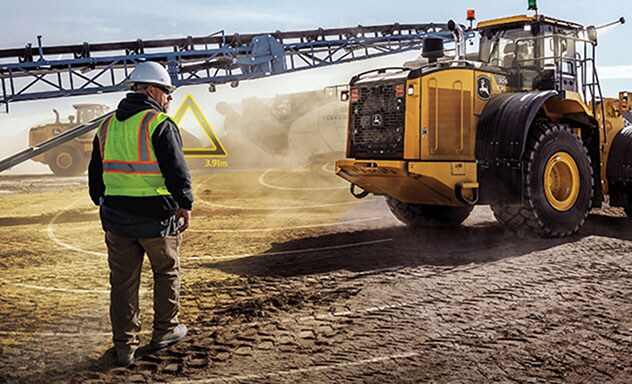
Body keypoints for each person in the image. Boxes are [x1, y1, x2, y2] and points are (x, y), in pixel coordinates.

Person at [88, 61, 193, 367]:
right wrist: (184, 203)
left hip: (116, 219)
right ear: (151, 90)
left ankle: (124, 347)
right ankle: (165, 331)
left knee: (122, 283)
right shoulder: (158, 123)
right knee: (166, 272)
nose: (169, 98)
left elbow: (95, 172)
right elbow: (177, 170)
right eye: (166, 91)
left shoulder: (106, 126)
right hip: (156, 219)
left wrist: (101, 201)